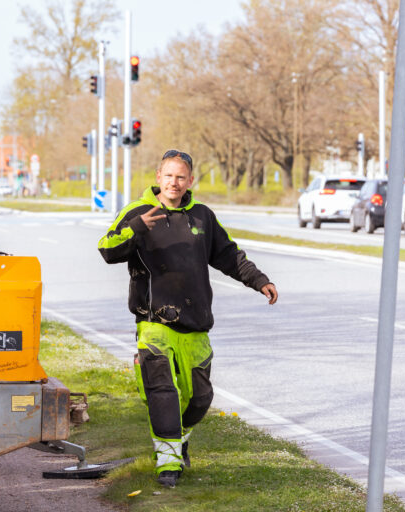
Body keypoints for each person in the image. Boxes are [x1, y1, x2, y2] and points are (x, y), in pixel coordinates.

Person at [97, 149, 278, 488]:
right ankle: (168, 464)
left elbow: (229, 255)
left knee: (199, 398)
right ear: (158, 177)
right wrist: (137, 228)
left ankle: (177, 440)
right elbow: (107, 249)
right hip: (154, 323)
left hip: (196, 324)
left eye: (181, 177)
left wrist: (259, 280)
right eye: (168, 176)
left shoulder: (202, 217)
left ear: (190, 181)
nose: (174, 183)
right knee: (163, 390)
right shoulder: (139, 212)